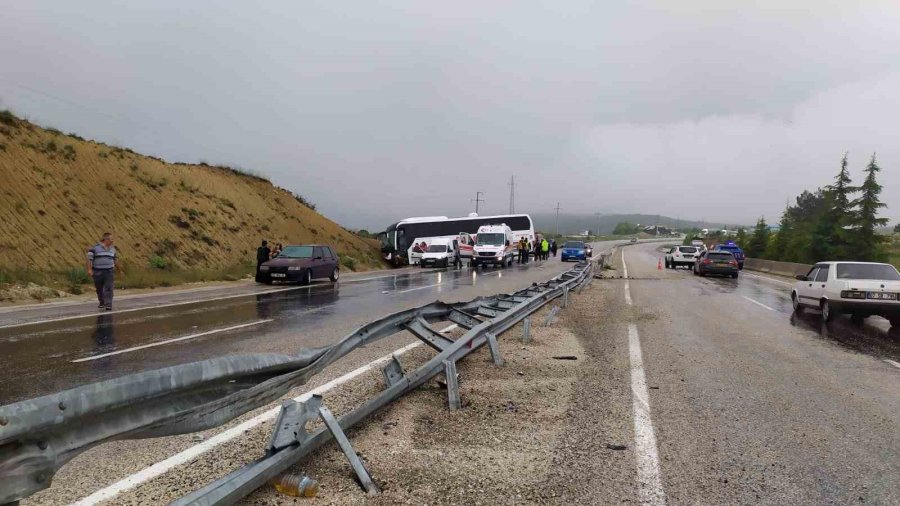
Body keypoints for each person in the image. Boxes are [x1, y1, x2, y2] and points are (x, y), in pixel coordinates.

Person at [87, 232, 118, 310]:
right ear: (106, 239)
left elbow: (115, 260)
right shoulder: (94, 248)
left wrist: (120, 270)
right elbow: (89, 259)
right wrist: (90, 269)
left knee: (109, 287)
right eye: (111, 239)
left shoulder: (113, 249)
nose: (112, 241)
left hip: (109, 271)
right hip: (97, 272)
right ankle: (102, 302)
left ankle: (108, 304)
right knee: (99, 288)